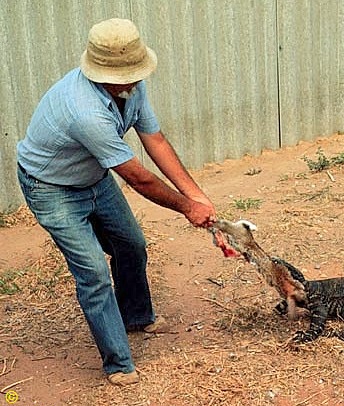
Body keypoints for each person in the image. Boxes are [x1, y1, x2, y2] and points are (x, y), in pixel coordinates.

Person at [16, 18, 216, 386]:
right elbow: (138, 177)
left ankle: (137, 316)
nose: (137, 77)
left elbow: (155, 140)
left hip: (94, 176)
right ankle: (118, 362)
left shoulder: (130, 88)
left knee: (131, 246)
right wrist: (188, 208)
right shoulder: (83, 109)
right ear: (105, 72)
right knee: (92, 272)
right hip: (51, 187)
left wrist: (197, 195)